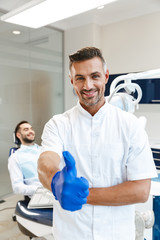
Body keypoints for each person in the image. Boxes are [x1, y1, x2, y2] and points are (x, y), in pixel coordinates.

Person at [38, 47, 157, 240]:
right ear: (71, 81)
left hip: (116, 235)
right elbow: (45, 163)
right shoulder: (58, 124)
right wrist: (55, 181)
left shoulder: (130, 126)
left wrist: (81, 195)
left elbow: (141, 191)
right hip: (70, 235)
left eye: (95, 76)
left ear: (106, 76)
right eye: (80, 78)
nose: (88, 85)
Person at [8, 121, 42, 198]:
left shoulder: (44, 150)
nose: (31, 131)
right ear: (18, 135)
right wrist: (40, 189)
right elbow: (17, 187)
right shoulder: (15, 157)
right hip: (39, 194)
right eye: (26, 129)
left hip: (57, 189)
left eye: (31, 129)